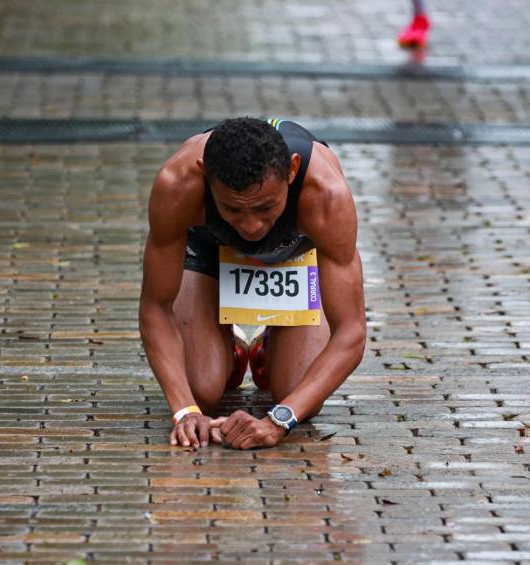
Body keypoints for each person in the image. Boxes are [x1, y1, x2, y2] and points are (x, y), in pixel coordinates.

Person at [139, 117, 366, 450]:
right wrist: (184, 411)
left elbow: (352, 330)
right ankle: (229, 352)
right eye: (232, 208)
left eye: (266, 207)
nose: (251, 226)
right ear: (205, 175)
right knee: (200, 390)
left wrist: (280, 420)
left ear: (292, 171)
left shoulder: (325, 194)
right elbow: (155, 307)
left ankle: (266, 348)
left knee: (300, 395)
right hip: (209, 246)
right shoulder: (178, 183)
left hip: (295, 251)